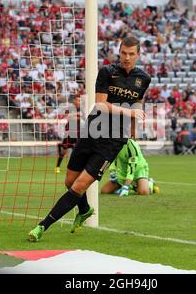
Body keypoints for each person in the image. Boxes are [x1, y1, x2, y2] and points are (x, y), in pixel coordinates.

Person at [28, 37, 151, 241]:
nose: (127, 57)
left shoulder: (143, 78)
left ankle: (42, 226)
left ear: (138, 55)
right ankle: (84, 209)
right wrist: (129, 112)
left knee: (79, 186)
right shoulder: (107, 72)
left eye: (131, 54)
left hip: (113, 140)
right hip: (93, 130)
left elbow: (137, 103)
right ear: (119, 52)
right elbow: (101, 104)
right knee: (69, 181)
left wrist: (134, 126)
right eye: (124, 53)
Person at [55, 96, 81, 174]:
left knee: (77, 151)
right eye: (77, 100)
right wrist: (76, 116)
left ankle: (75, 168)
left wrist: (76, 116)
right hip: (69, 133)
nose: (79, 102)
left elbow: (81, 117)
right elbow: (68, 117)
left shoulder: (82, 109)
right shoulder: (70, 108)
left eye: (80, 100)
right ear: (74, 101)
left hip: (78, 132)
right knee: (64, 151)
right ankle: (57, 167)